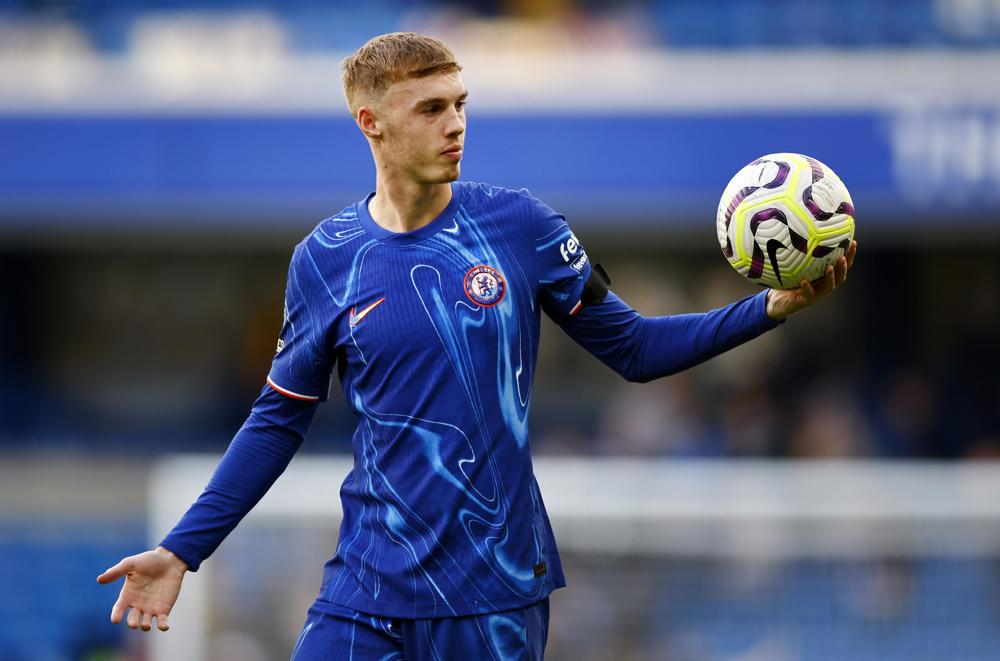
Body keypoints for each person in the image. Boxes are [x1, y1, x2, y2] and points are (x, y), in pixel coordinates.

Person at [97, 32, 856, 659]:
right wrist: (182, 549)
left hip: (495, 594)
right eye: (431, 108)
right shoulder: (326, 257)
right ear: (372, 122)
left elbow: (633, 348)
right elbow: (277, 419)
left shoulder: (520, 226)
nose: (456, 124)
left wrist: (770, 308)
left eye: (461, 104)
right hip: (366, 590)